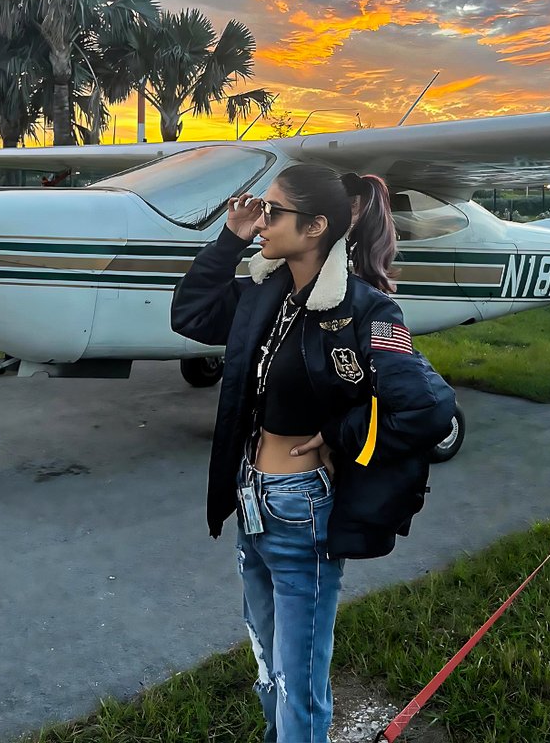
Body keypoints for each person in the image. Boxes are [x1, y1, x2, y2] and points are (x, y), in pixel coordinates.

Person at [171, 163, 456, 743]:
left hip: (302, 513)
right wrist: (230, 238)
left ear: (316, 227)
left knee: (299, 679)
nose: (262, 219)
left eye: (274, 211)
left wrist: (344, 432)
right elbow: (191, 314)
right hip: (252, 502)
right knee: (269, 667)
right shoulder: (262, 297)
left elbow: (428, 409)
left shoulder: (369, 312)